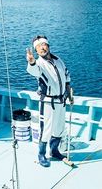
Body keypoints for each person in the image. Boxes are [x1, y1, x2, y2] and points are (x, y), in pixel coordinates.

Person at [26, 35, 73, 168]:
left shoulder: (58, 60)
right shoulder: (39, 63)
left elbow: (67, 76)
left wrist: (68, 93)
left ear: (48, 46)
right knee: (46, 130)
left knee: (59, 128)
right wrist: (31, 62)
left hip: (61, 101)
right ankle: (41, 154)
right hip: (47, 102)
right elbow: (34, 71)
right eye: (38, 47)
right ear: (36, 50)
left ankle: (54, 150)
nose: (41, 48)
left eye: (43, 45)